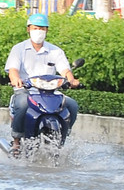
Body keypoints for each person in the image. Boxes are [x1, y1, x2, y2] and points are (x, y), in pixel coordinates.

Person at [5, 14, 80, 155]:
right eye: (35, 28)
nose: (39, 31)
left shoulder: (55, 51)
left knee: (72, 105)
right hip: (27, 91)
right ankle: (16, 141)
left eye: (42, 28)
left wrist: (71, 80)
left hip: (51, 92)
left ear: (47, 31)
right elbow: (13, 69)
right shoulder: (19, 49)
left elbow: (65, 70)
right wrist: (15, 79)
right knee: (22, 104)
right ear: (28, 29)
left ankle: (64, 134)